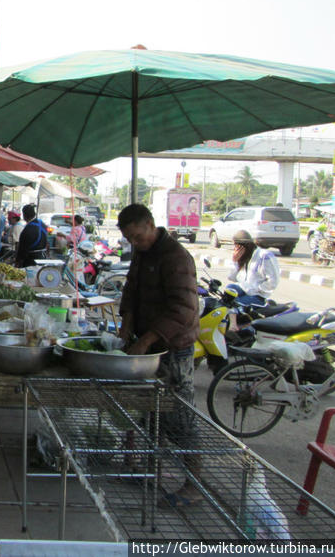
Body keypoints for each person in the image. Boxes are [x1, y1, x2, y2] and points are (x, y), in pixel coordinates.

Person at [117, 203, 201, 508]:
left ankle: (195, 484)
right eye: (130, 240)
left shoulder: (176, 257)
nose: (135, 244)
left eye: (139, 237)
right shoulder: (143, 254)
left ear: (152, 225)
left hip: (173, 348)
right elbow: (131, 290)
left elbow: (182, 309)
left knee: (178, 415)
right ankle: (150, 470)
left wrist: (148, 339)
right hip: (148, 345)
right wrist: (126, 326)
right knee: (149, 411)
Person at [227, 230, 279, 305]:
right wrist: (234, 261)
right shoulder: (243, 258)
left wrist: (256, 289)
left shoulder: (264, 256)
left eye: (238, 247)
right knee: (228, 292)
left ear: (245, 247)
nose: (236, 250)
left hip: (258, 295)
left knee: (235, 304)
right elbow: (232, 278)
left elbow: (273, 281)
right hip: (243, 289)